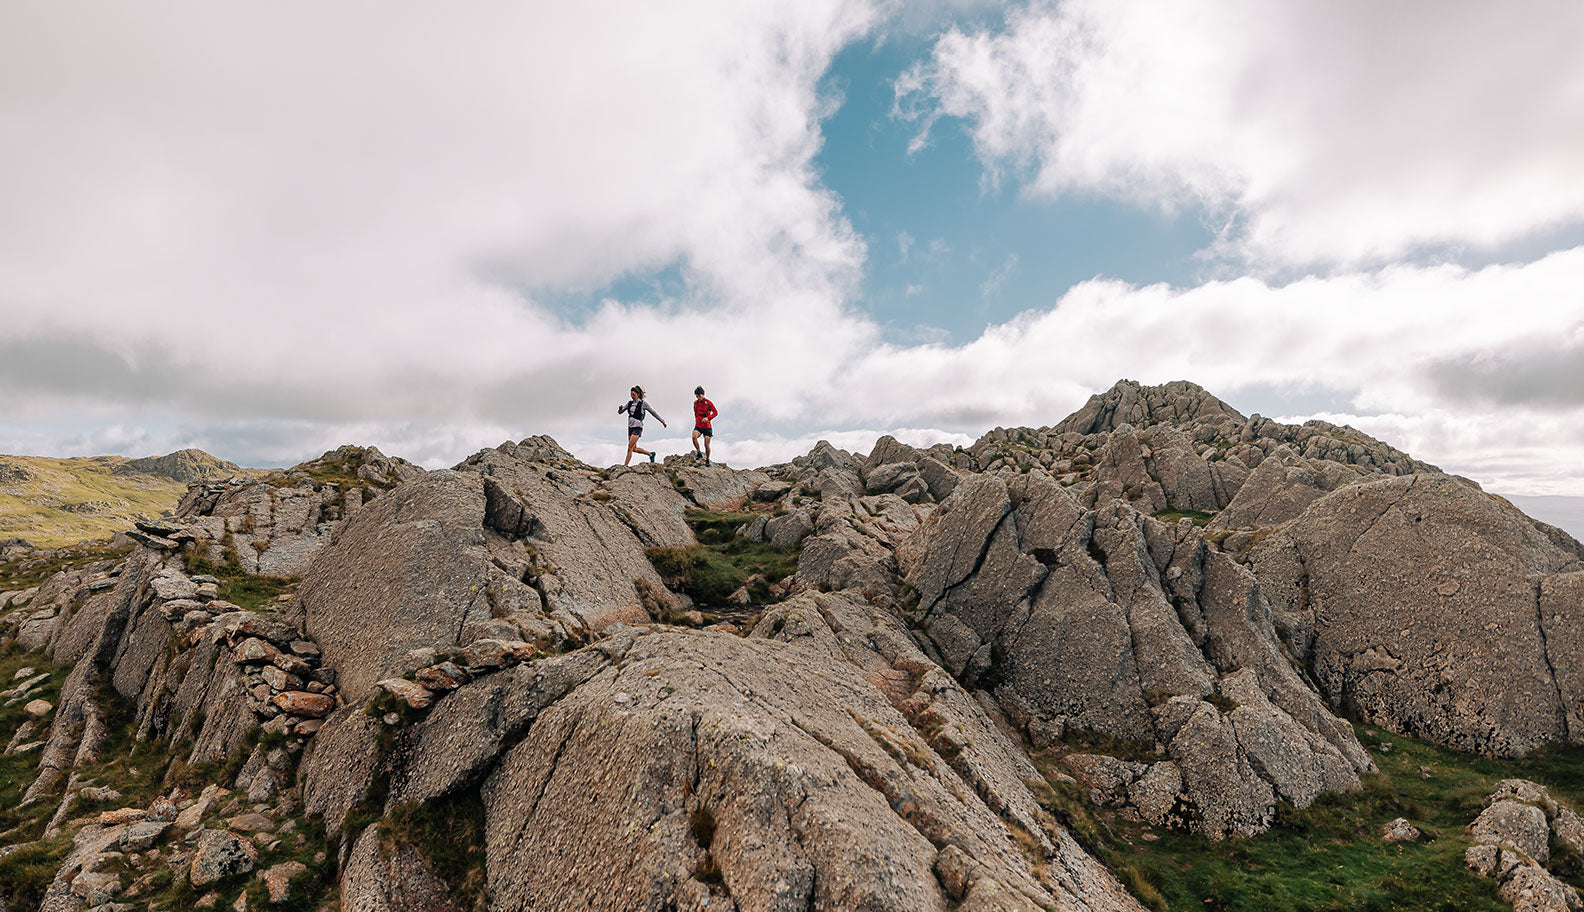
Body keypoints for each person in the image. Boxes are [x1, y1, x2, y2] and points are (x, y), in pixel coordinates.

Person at [618, 386, 666, 465]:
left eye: (633, 394)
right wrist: (620, 409)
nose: (632, 396)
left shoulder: (643, 404)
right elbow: (620, 412)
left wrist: (662, 421)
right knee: (634, 449)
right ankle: (651, 454)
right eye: (631, 394)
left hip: (638, 426)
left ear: (638, 394)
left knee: (629, 447)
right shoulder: (629, 403)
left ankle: (625, 466)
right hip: (630, 426)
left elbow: (653, 412)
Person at [691, 386, 718, 466]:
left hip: (707, 426)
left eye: (699, 396)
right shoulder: (695, 403)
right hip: (699, 425)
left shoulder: (708, 402)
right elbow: (695, 413)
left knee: (706, 444)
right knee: (694, 436)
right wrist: (697, 420)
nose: (698, 398)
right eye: (696, 396)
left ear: (703, 394)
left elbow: (715, 412)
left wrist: (708, 418)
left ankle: (707, 459)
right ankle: (699, 452)